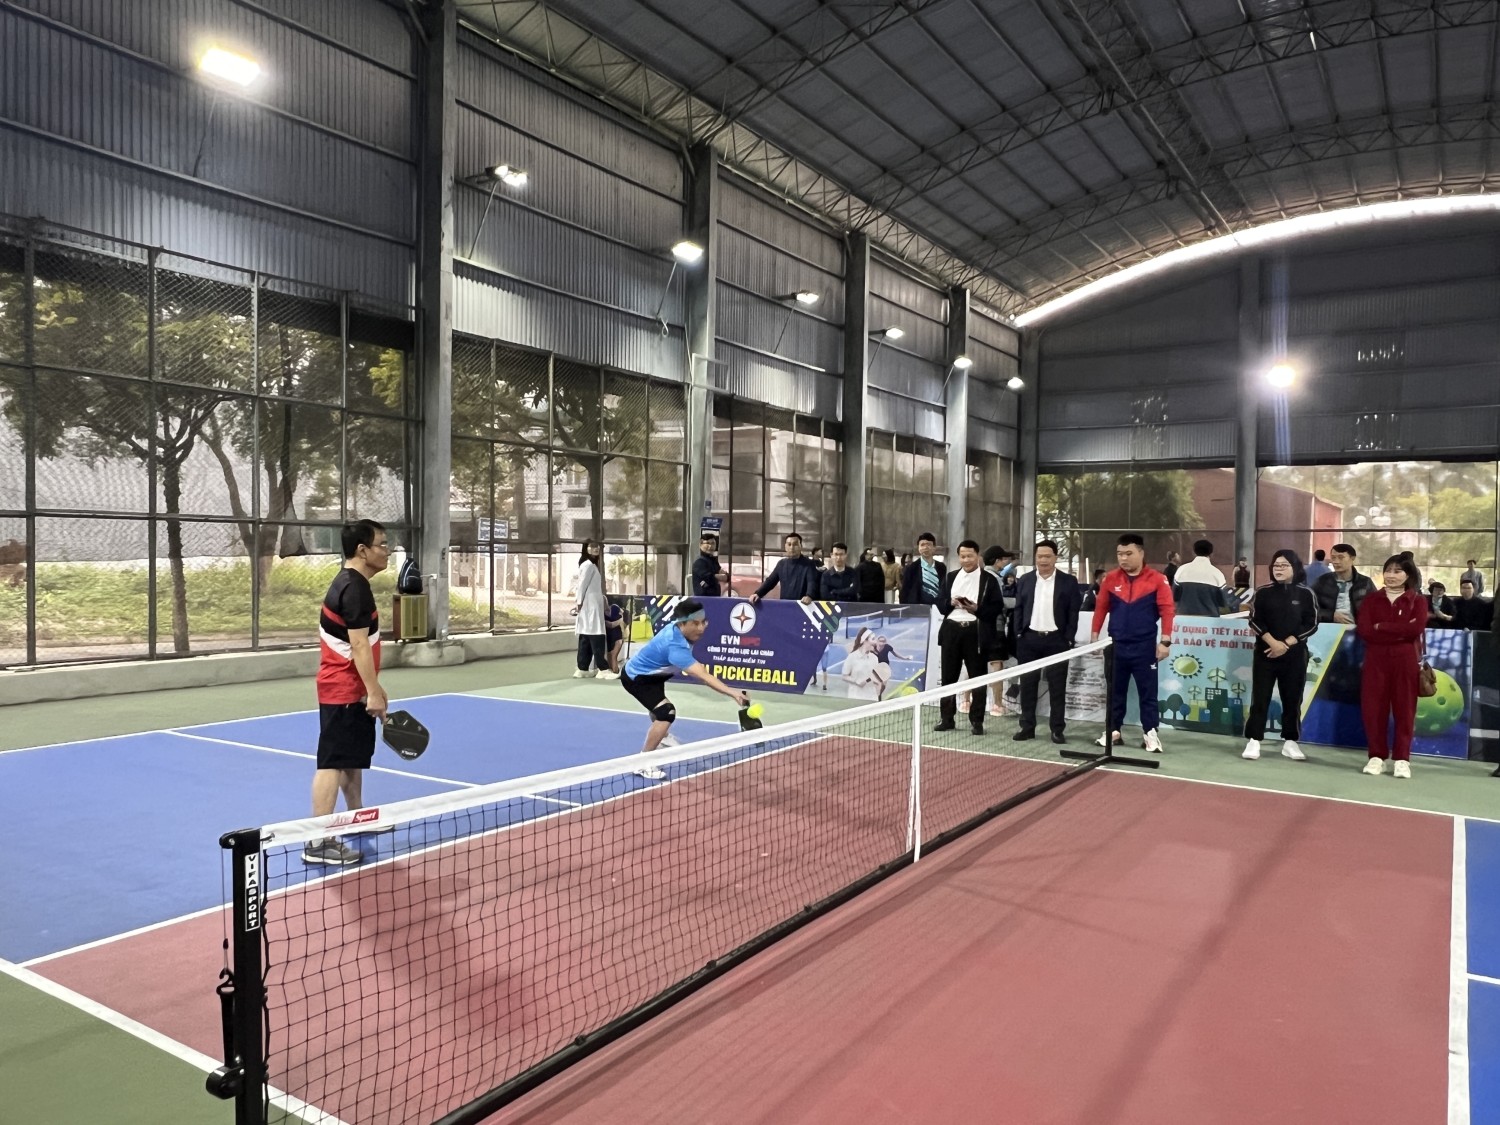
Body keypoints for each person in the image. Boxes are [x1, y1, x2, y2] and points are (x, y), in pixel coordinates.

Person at [305, 519, 391, 867]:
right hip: (343, 688)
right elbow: (358, 646)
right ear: (362, 550)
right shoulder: (354, 589)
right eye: (382, 544)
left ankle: (357, 816)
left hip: (351, 688)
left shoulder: (353, 583)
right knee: (333, 763)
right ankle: (317, 840)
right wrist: (374, 691)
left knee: (352, 758)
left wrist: (372, 689)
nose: (388, 551)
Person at [621, 599, 749, 779]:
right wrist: (733, 692)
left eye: (703, 622)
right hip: (637, 678)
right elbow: (704, 676)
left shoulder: (679, 630)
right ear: (681, 624)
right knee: (666, 712)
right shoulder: (675, 647)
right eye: (695, 623)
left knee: (657, 705)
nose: (701, 628)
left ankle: (663, 737)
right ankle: (643, 763)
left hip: (654, 675)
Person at [1091, 533, 1174, 753]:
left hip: (1144, 647)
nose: (1123, 558)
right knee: (1114, 692)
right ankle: (1113, 731)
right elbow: (1101, 608)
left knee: (1148, 693)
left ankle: (1150, 733)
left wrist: (1165, 641)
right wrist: (1094, 637)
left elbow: (1167, 610)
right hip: (1116, 646)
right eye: (1120, 554)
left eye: (1128, 553)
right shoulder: (1110, 579)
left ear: (1141, 553)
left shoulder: (1158, 579)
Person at [1242, 550, 1319, 762]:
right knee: (1260, 697)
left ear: (1295, 567)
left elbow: (1312, 623)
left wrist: (1285, 644)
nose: (1279, 569)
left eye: (1284, 565)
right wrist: (1273, 643)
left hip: (1295, 655)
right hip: (1265, 653)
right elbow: (1254, 620)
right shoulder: (1263, 592)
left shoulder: (1306, 594)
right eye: (1276, 565)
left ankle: (1290, 742)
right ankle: (1254, 740)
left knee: (1292, 699)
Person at [1355, 555, 1427, 779]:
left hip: (1405, 659)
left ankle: (1402, 759)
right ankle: (1376, 756)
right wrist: (1397, 629)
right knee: (1374, 708)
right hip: (1375, 658)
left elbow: (1415, 630)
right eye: (1388, 570)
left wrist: (1382, 627)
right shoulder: (1371, 600)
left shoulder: (1418, 601)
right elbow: (1365, 630)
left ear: (1408, 574)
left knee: (1405, 709)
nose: (1391, 575)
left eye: (1397, 571)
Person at [1010, 540, 1082, 745]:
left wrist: (1068, 637)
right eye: (1039, 556)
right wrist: (1018, 633)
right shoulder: (1025, 580)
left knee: (1057, 688)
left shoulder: (1068, 581)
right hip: (1029, 639)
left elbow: (1073, 612)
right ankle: (1027, 727)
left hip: (1057, 641)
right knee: (1028, 686)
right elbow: (1018, 608)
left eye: (1047, 556)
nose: (1043, 560)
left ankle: (1057, 729)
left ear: (1055, 558)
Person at [934, 539, 1002, 735]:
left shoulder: (989, 580)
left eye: (970, 556)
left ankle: (977, 721)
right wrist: (950, 602)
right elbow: (940, 603)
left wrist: (976, 608)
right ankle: (946, 718)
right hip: (951, 631)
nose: (966, 560)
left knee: (977, 678)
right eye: (962, 556)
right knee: (948, 678)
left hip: (976, 632)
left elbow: (996, 607)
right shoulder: (950, 577)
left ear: (977, 556)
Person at [570, 539, 613, 680]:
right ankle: (603, 669)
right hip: (590, 607)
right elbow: (582, 585)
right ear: (586, 548)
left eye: (598, 546)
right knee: (597, 636)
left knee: (586, 637)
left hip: (590, 606)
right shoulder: (588, 565)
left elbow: (589, 587)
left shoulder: (589, 565)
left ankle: (582, 669)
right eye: (593, 546)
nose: (596, 548)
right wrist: (579, 602)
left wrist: (602, 600)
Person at [1172, 539, 1239, 617]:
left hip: (1184, 618)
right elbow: (1223, 602)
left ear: (1194, 552)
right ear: (1211, 554)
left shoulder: (1181, 570)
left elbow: (1174, 596)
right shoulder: (1217, 574)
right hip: (1209, 619)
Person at [1312, 542, 1374, 624]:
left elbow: (1376, 609)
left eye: (1341, 557)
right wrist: (1331, 615)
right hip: (1328, 627)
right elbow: (1308, 608)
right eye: (1333, 558)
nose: (1336, 562)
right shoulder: (1322, 581)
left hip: (1357, 627)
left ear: (1352, 558)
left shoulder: (1365, 582)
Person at [751, 532, 819, 604]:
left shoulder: (809, 564)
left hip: (802, 606)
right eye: (789, 544)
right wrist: (758, 594)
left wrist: (809, 596)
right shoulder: (781, 564)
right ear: (785, 547)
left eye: (795, 544)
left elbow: (812, 582)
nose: (792, 547)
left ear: (801, 546)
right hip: (784, 605)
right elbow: (770, 581)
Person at [899, 533, 946, 605]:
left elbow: (944, 589)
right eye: (922, 545)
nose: (925, 547)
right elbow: (904, 592)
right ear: (918, 548)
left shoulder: (941, 567)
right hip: (918, 607)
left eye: (928, 544)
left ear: (934, 547)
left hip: (938, 607)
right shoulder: (911, 568)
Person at [841, 628, 884, 701]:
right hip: (855, 698)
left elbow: (875, 677)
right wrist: (856, 681)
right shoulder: (852, 657)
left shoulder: (874, 658)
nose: (875, 642)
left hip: (872, 698)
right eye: (873, 639)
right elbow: (844, 676)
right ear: (864, 641)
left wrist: (877, 683)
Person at [604, 600, 625, 673]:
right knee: (610, 657)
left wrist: (621, 619)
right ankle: (613, 672)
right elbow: (610, 625)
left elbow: (623, 616)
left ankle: (615, 672)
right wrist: (620, 620)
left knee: (614, 656)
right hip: (608, 638)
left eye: (604, 601)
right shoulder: (601, 613)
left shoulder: (615, 607)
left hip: (617, 636)